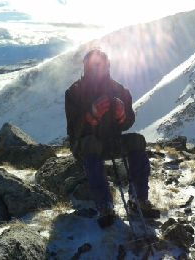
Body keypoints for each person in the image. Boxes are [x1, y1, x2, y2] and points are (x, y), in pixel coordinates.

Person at [64, 49, 160, 227]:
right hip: (84, 145)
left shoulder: (119, 90)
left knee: (137, 141)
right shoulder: (74, 92)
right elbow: (73, 128)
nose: (97, 69)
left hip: (110, 142)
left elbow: (129, 121)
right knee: (91, 144)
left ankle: (138, 199)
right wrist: (90, 116)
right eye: (93, 66)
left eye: (101, 66)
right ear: (85, 67)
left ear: (108, 66)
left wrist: (123, 116)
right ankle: (105, 205)